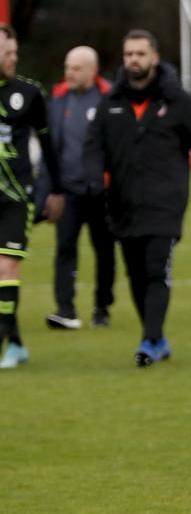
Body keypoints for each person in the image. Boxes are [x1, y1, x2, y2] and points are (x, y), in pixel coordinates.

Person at [84, 29, 191, 367]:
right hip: (123, 204)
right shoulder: (110, 104)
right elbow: (93, 148)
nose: (134, 61)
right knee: (137, 275)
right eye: (128, 55)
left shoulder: (177, 102)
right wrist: (94, 180)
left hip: (165, 203)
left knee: (156, 270)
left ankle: (148, 341)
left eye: (140, 54)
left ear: (154, 57)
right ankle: (156, 337)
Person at [0, 26, 65, 369]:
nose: (13, 59)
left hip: (16, 197)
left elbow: (49, 145)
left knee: (6, 266)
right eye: (7, 53)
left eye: (15, 53)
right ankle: (18, 344)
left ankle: (3, 344)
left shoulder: (28, 93)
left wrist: (56, 189)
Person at [41, 46, 115, 330]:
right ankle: (65, 307)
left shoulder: (109, 99)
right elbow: (50, 149)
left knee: (104, 250)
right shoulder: (58, 100)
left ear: (92, 71)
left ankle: (102, 306)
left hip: (101, 192)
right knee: (65, 248)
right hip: (67, 191)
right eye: (67, 67)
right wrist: (50, 190)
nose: (69, 73)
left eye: (75, 68)